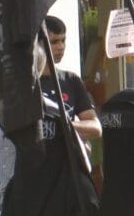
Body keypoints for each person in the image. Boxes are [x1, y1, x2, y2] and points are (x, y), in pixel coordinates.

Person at [42, 14, 101, 144]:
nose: (61, 47)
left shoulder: (71, 79)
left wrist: (65, 126)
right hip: (33, 162)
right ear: (38, 44)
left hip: (67, 162)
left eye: (63, 40)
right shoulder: (25, 83)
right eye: (54, 42)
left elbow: (95, 127)